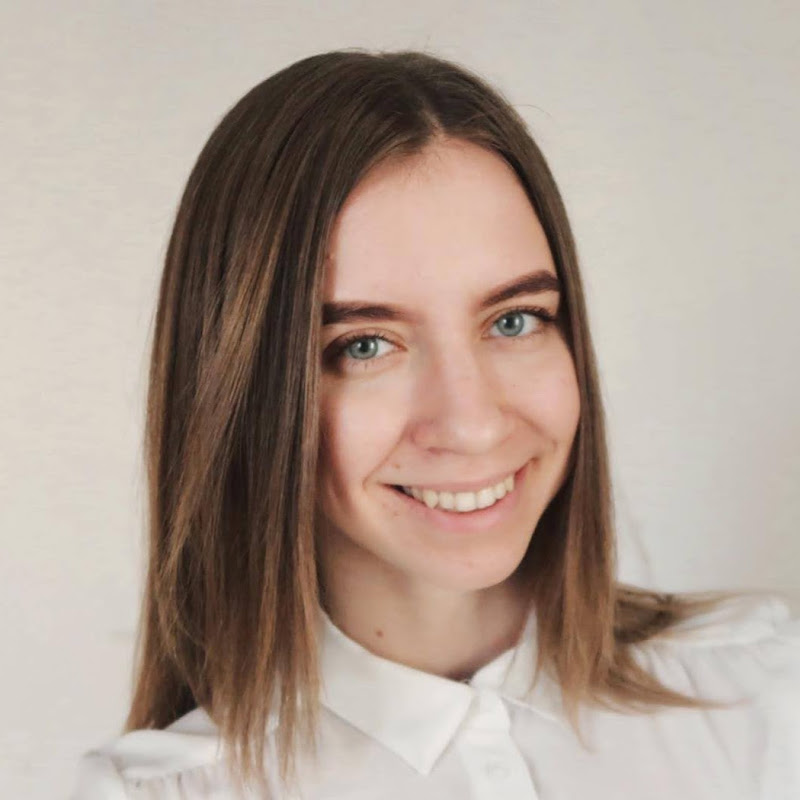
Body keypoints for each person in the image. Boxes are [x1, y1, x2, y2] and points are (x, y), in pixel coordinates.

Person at [70, 49, 800, 799]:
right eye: (364, 345)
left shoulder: (767, 692)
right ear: (241, 393)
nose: (473, 425)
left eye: (514, 320)